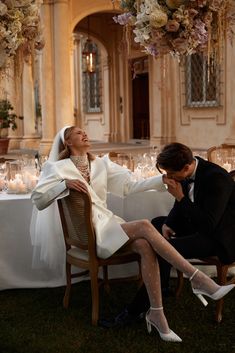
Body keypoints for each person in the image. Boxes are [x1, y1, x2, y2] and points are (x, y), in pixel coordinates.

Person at [31, 129, 235, 342]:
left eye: (84, 130)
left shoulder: (101, 164)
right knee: (147, 226)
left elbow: (129, 187)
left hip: (110, 228)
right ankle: (198, 278)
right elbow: (38, 199)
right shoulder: (56, 168)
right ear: (67, 141)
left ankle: (157, 314)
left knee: (146, 245)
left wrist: (163, 180)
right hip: (90, 235)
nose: (84, 133)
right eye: (76, 132)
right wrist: (63, 185)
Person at [104, 142, 235, 328]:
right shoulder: (186, 172)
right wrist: (169, 223)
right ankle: (162, 285)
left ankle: (134, 311)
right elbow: (181, 206)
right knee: (157, 224)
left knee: (161, 249)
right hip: (200, 227)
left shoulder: (216, 178)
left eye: (171, 174)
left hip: (219, 237)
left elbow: (207, 224)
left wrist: (180, 197)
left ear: (187, 167)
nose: (168, 178)